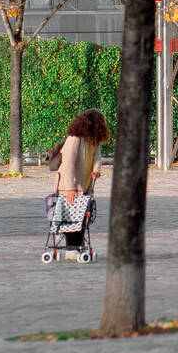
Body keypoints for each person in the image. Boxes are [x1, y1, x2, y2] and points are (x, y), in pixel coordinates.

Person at [53, 108, 108, 258]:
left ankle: (79, 246)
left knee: (83, 217)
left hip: (85, 185)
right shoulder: (75, 138)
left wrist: (96, 170)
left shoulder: (93, 139)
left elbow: (97, 156)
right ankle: (71, 247)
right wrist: (70, 188)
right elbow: (68, 163)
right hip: (69, 185)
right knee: (71, 217)